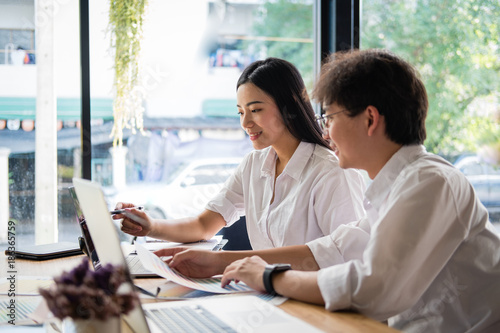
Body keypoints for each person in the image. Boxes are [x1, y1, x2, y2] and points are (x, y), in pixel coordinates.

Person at [156, 49, 500, 332]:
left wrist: (267, 277)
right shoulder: (395, 187)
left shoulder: (430, 183)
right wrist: (220, 262)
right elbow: (330, 250)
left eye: (331, 118)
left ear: (370, 119)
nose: (327, 132)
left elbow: (371, 290)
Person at [115, 57, 366, 250]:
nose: (245, 123)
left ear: (289, 105)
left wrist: (229, 264)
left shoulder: (331, 173)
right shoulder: (254, 165)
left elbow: (347, 259)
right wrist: (150, 227)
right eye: (240, 112)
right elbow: (204, 226)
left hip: (315, 306)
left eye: (255, 110)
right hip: (267, 296)